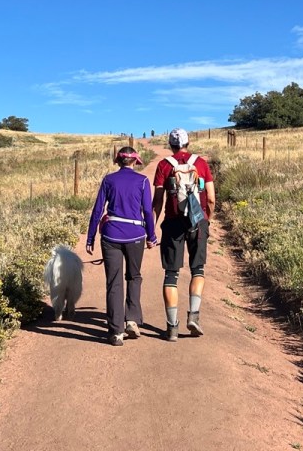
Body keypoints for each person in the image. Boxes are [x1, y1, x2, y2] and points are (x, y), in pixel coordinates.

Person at [86, 146, 158, 346]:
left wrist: (90, 237)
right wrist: (152, 236)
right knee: (134, 276)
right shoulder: (142, 181)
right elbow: (147, 211)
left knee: (114, 281)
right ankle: (132, 320)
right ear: (135, 161)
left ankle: (116, 332)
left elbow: (98, 209)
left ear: (118, 161)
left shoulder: (109, 180)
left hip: (111, 235)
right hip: (136, 235)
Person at [153, 128, 216, 341]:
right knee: (197, 269)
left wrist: (152, 225)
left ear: (170, 144)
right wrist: (207, 219)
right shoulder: (201, 163)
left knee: (171, 275)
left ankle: (172, 328)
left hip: (172, 224)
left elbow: (158, 200)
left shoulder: (164, 165)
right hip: (198, 222)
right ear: (188, 142)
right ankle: (194, 317)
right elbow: (212, 198)